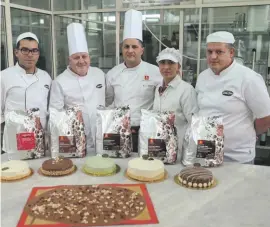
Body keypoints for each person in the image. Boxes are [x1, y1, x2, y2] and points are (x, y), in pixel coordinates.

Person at [195, 31, 270, 164]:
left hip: (236, 155)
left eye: (219, 52)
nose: (213, 56)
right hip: (206, 152)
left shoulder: (248, 78)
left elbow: (265, 118)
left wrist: (247, 133)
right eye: (209, 52)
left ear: (231, 52)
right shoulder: (202, 77)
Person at [106, 9, 162, 152]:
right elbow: (108, 100)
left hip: (145, 130)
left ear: (142, 50)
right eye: (126, 46)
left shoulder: (155, 72)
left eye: (134, 47)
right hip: (119, 129)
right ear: (122, 49)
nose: (130, 50)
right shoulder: (113, 73)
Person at [49, 23, 105, 153]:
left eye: (84, 56)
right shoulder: (59, 82)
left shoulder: (99, 74)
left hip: (102, 136)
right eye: (76, 57)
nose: (81, 61)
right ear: (69, 60)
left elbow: (108, 99)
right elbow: (55, 115)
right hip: (75, 140)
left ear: (89, 57)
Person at [1, 32, 51, 153]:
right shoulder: (4, 76)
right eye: (25, 50)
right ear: (16, 52)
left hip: (40, 139)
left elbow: (49, 108)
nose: (30, 55)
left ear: (38, 54)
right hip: (15, 141)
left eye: (34, 50)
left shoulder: (46, 77)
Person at [154, 48, 198, 159]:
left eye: (171, 63)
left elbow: (193, 124)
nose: (166, 67)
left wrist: (189, 154)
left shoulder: (186, 90)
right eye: (162, 63)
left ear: (178, 66)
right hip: (158, 146)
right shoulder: (158, 88)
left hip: (179, 149)